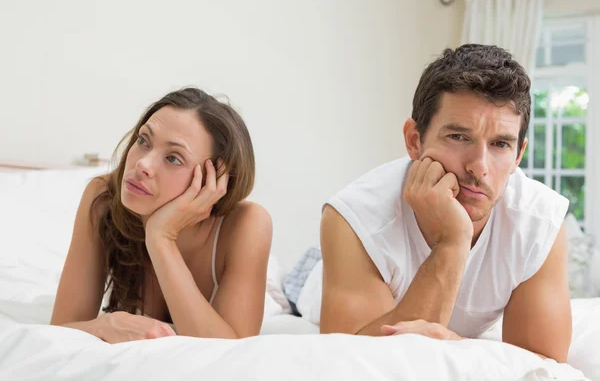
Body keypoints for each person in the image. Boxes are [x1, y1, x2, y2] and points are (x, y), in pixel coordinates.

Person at [319, 44, 572, 362]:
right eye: (459, 137)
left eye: (500, 144)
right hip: (320, 280)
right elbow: (352, 362)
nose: (479, 166)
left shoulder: (539, 222)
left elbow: (542, 365)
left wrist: (457, 344)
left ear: (518, 155)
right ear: (414, 140)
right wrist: (453, 241)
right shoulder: (353, 218)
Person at [51, 87, 273, 342]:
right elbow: (60, 330)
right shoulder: (103, 199)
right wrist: (102, 326)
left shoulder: (248, 224)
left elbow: (228, 356)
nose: (142, 164)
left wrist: (161, 237)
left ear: (213, 180)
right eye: (143, 140)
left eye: (174, 158)